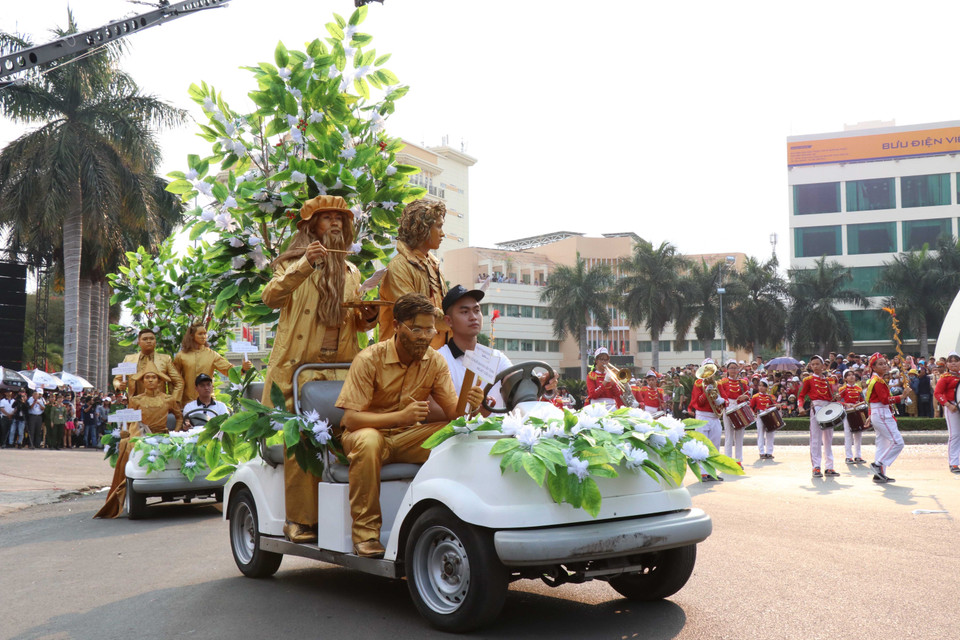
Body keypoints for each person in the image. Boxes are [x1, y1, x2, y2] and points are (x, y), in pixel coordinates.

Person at [260, 194, 379, 543]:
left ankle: (353, 522)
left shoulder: (352, 270)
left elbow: (357, 324)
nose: (336, 224)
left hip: (341, 371)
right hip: (300, 370)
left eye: (340, 219)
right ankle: (299, 520)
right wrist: (305, 265)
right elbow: (271, 297)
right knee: (303, 442)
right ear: (312, 226)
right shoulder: (291, 264)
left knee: (353, 440)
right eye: (327, 218)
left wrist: (367, 315)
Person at [335, 293, 485, 557]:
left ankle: (460, 524)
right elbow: (350, 419)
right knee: (369, 441)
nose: (425, 336)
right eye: (416, 329)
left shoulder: (435, 361)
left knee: (460, 435)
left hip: (409, 437)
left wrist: (471, 404)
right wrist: (400, 417)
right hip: (367, 437)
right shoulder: (369, 359)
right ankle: (366, 535)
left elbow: (454, 414)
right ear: (396, 326)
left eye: (430, 329)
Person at [95, 363, 183, 519]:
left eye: (153, 377)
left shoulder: (168, 399)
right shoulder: (135, 400)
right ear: (142, 381)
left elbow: (179, 417)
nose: (150, 380)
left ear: (159, 380)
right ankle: (126, 483)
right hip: (142, 436)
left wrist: (175, 432)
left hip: (163, 436)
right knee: (126, 446)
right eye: (147, 377)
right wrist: (125, 431)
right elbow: (129, 421)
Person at [379, 199, 450, 349]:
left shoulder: (434, 265)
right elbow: (412, 314)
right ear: (422, 228)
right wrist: (454, 320)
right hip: (401, 361)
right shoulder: (399, 267)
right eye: (439, 226)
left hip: (434, 358)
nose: (443, 234)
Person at [175, 323, 250, 404]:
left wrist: (243, 369)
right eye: (200, 334)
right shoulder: (181, 356)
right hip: (186, 402)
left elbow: (228, 369)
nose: (203, 336)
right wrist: (175, 401)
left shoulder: (212, 355)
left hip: (208, 402)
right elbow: (174, 380)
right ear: (192, 335)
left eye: (205, 333)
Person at [114, 328, 184, 403]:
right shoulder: (129, 359)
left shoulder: (165, 359)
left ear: (155, 342)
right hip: (135, 405)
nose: (149, 341)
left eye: (152, 338)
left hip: (159, 405)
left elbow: (179, 382)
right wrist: (119, 385)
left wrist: (173, 401)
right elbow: (117, 379)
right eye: (145, 339)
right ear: (139, 343)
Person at [798, 355, 839, 478]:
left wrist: (835, 398)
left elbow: (831, 396)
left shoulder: (828, 380)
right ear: (810, 366)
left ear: (823, 366)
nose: (815, 366)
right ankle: (816, 466)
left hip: (828, 408)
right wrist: (800, 407)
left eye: (817, 364)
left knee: (828, 438)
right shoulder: (808, 380)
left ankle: (829, 467)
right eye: (813, 364)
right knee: (815, 439)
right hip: (816, 408)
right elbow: (801, 396)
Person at [865, 353, 903, 483]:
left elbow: (871, 400)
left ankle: (879, 474)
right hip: (882, 414)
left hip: (878, 413)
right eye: (880, 364)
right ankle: (878, 464)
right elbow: (885, 400)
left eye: (885, 363)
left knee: (882, 444)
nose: (884, 366)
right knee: (898, 442)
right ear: (873, 367)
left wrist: (870, 414)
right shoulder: (878, 381)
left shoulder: (875, 380)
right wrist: (901, 397)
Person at [688, 358, 723, 481]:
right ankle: (703, 473)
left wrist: (721, 400)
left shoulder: (718, 384)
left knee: (715, 446)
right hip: (702, 416)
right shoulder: (698, 384)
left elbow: (726, 401)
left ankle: (712, 472)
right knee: (702, 445)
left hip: (714, 417)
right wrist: (705, 394)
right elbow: (698, 402)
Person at [717, 359, 750, 466]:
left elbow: (748, 394)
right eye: (731, 368)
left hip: (740, 407)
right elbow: (720, 395)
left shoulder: (743, 382)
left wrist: (745, 396)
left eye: (735, 368)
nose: (733, 370)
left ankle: (739, 460)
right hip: (728, 407)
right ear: (727, 369)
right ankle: (728, 460)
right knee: (729, 434)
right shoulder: (723, 382)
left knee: (739, 435)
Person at [933, 351, 960, 473]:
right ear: (947, 364)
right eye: (951, 361)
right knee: (954, 435)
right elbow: (937, 393)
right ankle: (953, 463)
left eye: (956, 361)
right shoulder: (945, 377)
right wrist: (948, 405)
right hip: (952, 407)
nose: (954, 364)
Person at [838, 369, 867, 464]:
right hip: (847, 412)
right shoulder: (842, 389)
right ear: (845, 378)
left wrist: (860, 403)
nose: (851, 377)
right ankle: (848, 456)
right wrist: (846, 404)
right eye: (849, 375)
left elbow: (863, 399)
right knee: (848, 434)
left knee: (859, 434)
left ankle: (858, 456)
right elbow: (838, 401)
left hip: (857, 411)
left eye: (853, 375)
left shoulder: (859, 389)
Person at [750, 380, 777, 459]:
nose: (761, 387)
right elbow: (751, 406)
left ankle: (769, 452)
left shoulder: (770, 396)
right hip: (760, 416)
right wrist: (753, 414)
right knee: (760, 434)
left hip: (769, 416)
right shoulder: (755, 396)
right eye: (760, 385)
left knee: (770, 434)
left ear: (766, 387)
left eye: (763, 386)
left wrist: (776, 406)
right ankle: (761, 452)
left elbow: (774, 405)